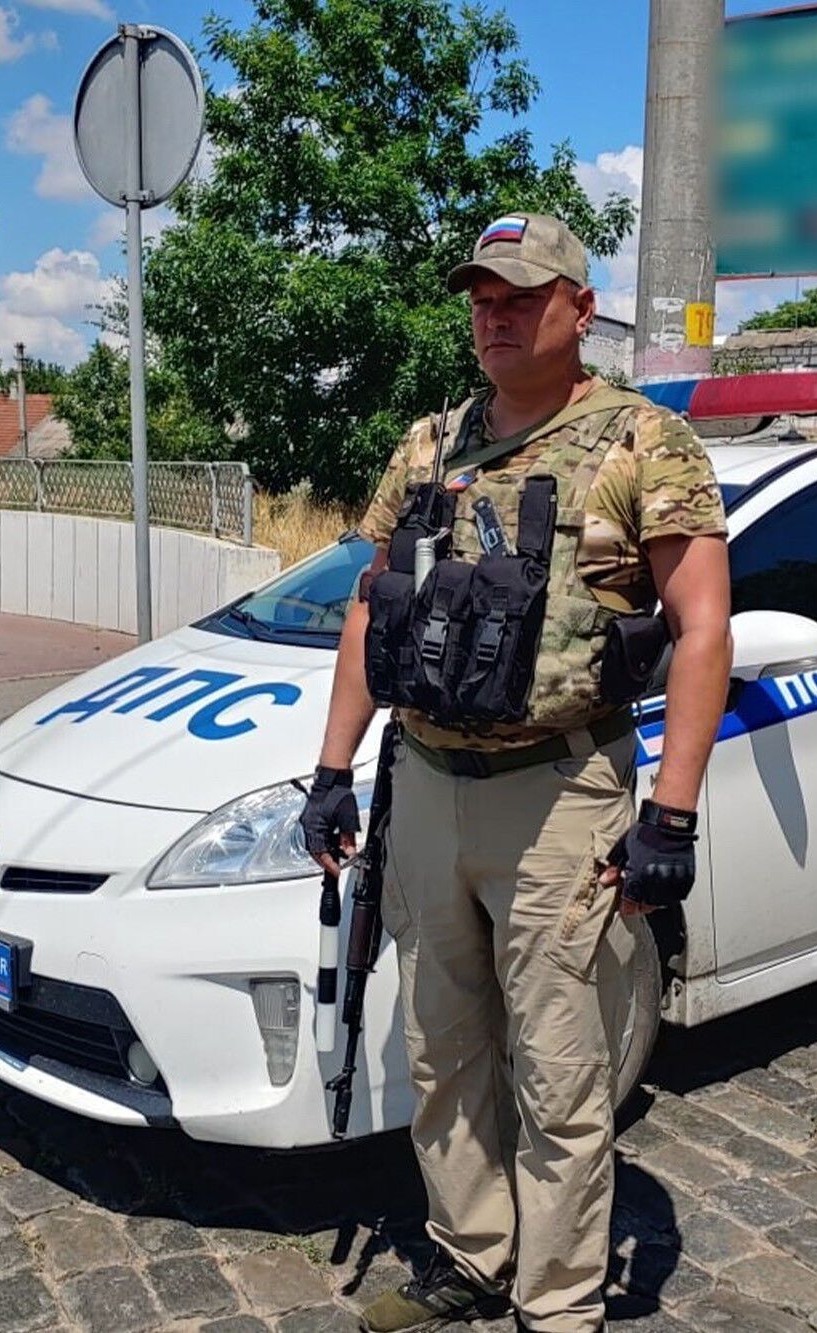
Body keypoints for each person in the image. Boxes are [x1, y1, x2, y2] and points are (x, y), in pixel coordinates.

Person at [302, 215, 733, 1333]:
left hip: (561, 796)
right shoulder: (427, 446)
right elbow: (370, 607)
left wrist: (671, 815)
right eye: (480, 297)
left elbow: (702, 629)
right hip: (429, 788)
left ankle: (558, 1302)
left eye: (519, 296)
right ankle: (468, 1253)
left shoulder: (644, 445)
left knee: (557, 1073)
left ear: (578, 310)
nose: (492, 314)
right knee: (440, 1050)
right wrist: (329, 768)